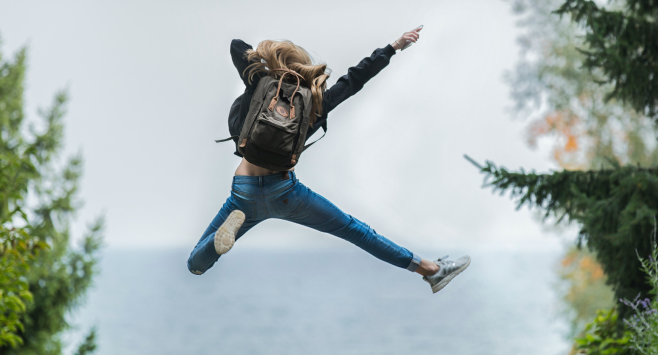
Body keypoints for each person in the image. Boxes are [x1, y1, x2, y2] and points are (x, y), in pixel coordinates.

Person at [186, 27, 471, 293]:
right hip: (285, 193)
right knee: (356, 231)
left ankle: (216, 244)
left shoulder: (259, 84)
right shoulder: (314, 102)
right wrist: (393, 47)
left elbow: (238, 47)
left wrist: (268, 64)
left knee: (195, 264)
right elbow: (354, 80)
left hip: (244, 192)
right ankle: (430, 270)